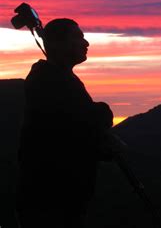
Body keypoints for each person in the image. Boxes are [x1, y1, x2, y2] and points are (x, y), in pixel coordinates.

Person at [15, 18, 123, 228]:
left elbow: (75, 130)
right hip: (50, 201)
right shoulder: (49, 81)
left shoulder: (53, 78)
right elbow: (81, 125)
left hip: (57, 199)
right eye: (78, 37)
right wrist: (102, 111)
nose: (86, 43)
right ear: (57, 44)